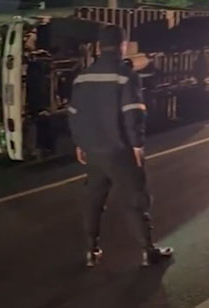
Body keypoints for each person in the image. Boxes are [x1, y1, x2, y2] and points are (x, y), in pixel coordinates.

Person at [67, 25, 173, 268]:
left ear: (98, 47)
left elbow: (74, 114)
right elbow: (133, 112)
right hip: (120, 151)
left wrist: (80, 143)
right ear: (123, 46)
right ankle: (148, 252)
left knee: (93, 201)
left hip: (94, 152)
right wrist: (137, 144)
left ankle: (91, 250)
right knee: (135, 200)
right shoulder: (125, 76)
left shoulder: (82, 77)